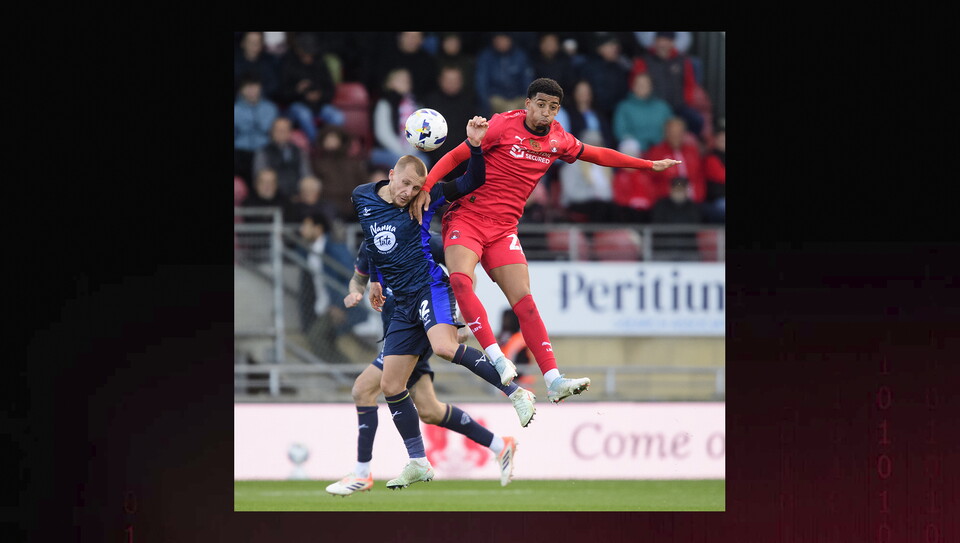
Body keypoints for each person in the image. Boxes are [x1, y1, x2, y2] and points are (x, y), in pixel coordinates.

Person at [410, 78, 682, 403]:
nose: (546, 112)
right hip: (467, 218)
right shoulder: (501, 125)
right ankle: (497, 359)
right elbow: (456, 157)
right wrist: (426, 189)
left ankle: (554, 380)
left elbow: (596, 154)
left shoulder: (559, 139)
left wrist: (647, 165)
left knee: (524, 300)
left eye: (553, 107)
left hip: (504, 229)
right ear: (527, 104)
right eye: (541, 104)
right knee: (461, 280)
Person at [350, 116, 536, 489]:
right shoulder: (362, 197)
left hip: (429, 289)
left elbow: (471, 182)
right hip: (399, 304)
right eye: (405, 184)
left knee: (444, 348)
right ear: (390, 175)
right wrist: (370, 279)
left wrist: (476, 147)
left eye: (416, 187)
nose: (408, 192)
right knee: (392, 388)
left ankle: (516, 392)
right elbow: (373, 242)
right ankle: (419, 461)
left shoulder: (425, 198)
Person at [325, 243, 520, 496]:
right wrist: (355, 292)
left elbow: (463, 268)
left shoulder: (421, 236)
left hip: (417, 331)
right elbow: (358, 278)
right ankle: (498, 444)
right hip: (398, 334)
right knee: (430, 411)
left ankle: (362, 473)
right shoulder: (371, 242)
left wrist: (460, 313)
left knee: (363, 389)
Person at [298, 212, 364, 362]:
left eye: (306, 226)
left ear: (318, 228)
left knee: (316, 337)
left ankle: (350, 375)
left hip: (339, 307)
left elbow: (350, 274)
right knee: (323, 339)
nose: (302, 230)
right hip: (324, 307)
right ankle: (347, 375)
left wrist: (340, 305)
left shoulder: (333, 248)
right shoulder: (312, 249)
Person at [630, 32, 705, 140]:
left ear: (672, 42)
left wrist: (686, 101)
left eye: (666, 40)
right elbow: (636, 85)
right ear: (655, 42)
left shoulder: (683, 61)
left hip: (678, 107)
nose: (663, 44)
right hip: (653, 107)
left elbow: (690, 84)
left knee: (697, 121)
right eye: (660, 40)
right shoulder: (643, 60)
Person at [278, 32, 344, 145]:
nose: (309, 55)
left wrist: (319, 95)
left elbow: (330, 90)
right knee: (303, 113)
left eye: (311, 52)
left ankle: (329, 145)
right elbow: (280, 94)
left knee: (338, 117)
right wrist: (297, 90)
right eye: (306, 51)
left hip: (318, 105)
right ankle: (318, 145)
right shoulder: (287, 62)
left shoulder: (320, 63)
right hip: (295, 106)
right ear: (298, 50)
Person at [421, 64, 476, 181]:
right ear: (440, 80)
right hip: (434, 161)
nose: (452, 83)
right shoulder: (430, 102)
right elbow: (423, 133)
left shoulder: (471, 101)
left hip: (464, 161)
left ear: (462, 81)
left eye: (455, 80)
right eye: (448, 80)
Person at [370, 67, 430, 169]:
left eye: (407, 80)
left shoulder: (417, 105)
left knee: (424, 161)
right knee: (400, 163)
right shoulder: (384, 103)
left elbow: (423, 132)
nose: (405, 82)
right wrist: (402, 153)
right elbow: (383, 134)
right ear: (389, 83)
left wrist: (410, 151)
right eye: (400, 79)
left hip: (411, 152)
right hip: (386, 151)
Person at [309, 124, 370, 223]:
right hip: (328, 203)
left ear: (341, 140)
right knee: (327, 210)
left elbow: (364, 184)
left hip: (352, 202)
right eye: (328, 138)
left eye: (334, 138)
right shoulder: (317, 163)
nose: (331, 141)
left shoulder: (353, 162)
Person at [645, 116, 706, 203]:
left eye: (679, 133)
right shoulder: (656, 153)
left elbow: (700, 177)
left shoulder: (692, 151)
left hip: (693, 201)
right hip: (666, 201)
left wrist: (698, 198)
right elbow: (651, 181)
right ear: (666, 133)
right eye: (672, 133)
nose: (675, 136)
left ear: (684, 134)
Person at [234, 74, 279, 191]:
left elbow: (274, 131)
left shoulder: (270, 108)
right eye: (248, 87)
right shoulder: (236, 109)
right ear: (241, 89)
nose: (252, 90)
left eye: (254, 87)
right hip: (240, 150)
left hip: (265, 149)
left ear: (260, 88)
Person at [612, 71, 674, 154]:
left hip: (661, 147)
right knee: (628, 145)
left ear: (651, 87)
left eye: (646, 84)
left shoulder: (662, 106)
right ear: (633, 86)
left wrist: (659, 145)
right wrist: (641, 144)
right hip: (636, 149)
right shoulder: (624, 107)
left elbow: (672, 127)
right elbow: (620, 132)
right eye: (639, 84)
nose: (642, 87)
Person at [474, 32, 533, 117]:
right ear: (494, 40)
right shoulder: (486, 57)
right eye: (498, 39)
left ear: (510, 40)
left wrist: (528, 100)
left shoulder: (520, 56)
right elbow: (481, 84)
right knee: (509, 111)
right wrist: (486, 104)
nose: (501, 42)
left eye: (504, 39)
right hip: (496, 99)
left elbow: (528, 81)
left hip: (518, 98)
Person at [252, 116, 313, 198]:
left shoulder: (299, 151)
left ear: (290, 132)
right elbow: (259, 175)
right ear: (272, 132)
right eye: (278, 130)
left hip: (296, 193)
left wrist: (302, 190)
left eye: (284, 130)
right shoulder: (263, 152)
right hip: (273, 194)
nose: (281, 133)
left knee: (310, 183)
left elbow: (306, 173)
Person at [577, 33, 632, 119]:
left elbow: (623, 94)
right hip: (595, 113)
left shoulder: (619, 69)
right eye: (611, 45)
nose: (615, 49)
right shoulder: (589, 68)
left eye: (616, 46)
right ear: (600, 48)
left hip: (616, 114)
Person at [649, 177, 702, 261]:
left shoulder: (693, 207)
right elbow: (657, 226)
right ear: (671, 189)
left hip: (687, 249)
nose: (679, 192)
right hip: (664, 249)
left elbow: (695, 227)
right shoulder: (661, 205)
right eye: (677, 189)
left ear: (686, 191)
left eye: (681, 189)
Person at [563, 79, 616, 149]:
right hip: (580, 150)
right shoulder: (569, 114)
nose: (583, 94)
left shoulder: (598, 113)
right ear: (574, 93)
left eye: (586, 92)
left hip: (600, 148)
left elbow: (607, 135)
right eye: (580, 92)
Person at [234, 31, 280, 102]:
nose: (254, 46)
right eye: (251, 42)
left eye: (257, 42)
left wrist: (256, 93)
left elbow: (274, 86)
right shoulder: (236, 62)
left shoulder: (269, 62)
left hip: (263, 101)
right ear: (242, 43)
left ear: (262, 45)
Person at [530, 32, 577, 97]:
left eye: (552, 43)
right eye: (547, 43)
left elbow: (570, 85)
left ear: (558, 45)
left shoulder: (565, 62)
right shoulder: (533, 61)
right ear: (541, 45)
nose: (550, 46)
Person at [702, 126, 725, 223]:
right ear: (715, 140)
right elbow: (722, 176)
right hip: (717, 199)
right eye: (721, 139)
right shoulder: (711, 158)